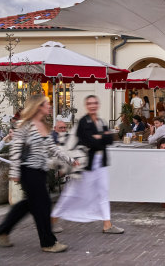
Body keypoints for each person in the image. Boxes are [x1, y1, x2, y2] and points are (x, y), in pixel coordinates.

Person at [0, 95, 76, 252]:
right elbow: (15, 149)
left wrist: (69, 159)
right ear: (38, 106)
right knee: (43, 206)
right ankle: (48, 242)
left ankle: (2, 231)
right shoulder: (24, 125)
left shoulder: (43, 125)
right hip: (28, 171)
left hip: (40, 171)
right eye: (47, 104)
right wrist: (14, 171)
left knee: (28, 205)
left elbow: (52, 148)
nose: (49, 107)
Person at [51, 95, 124, 235]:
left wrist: (100, 137)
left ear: (98, 104)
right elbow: (91, 142)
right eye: (90, 103)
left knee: (103, 192)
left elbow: (110, 139)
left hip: (100, 163)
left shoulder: (101, 121)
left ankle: (107, 224)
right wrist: (102, 136)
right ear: (86, 105)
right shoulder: (84, 122)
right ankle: (52, 219)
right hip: (86, 164)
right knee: (72, 193)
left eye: (95, 103)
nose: (93, 105)